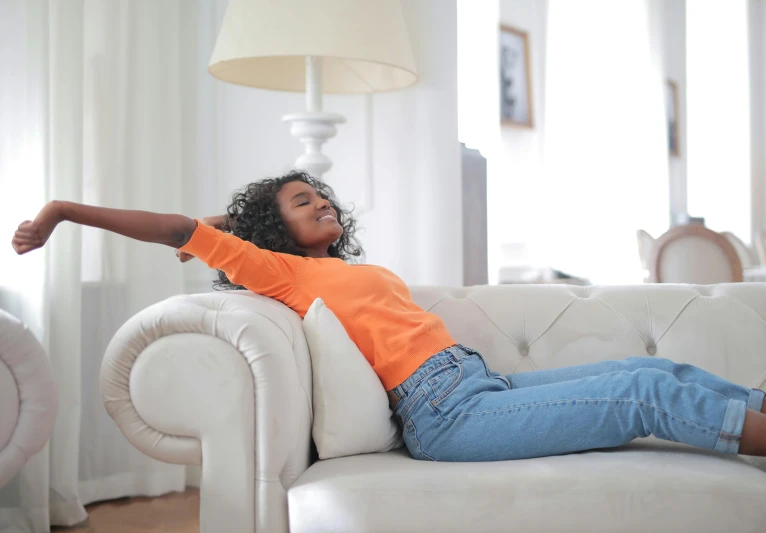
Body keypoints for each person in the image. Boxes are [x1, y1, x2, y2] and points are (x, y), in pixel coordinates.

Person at [12, 170, 766, 461]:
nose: (324, 203)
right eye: (303, 201)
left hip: (481, 386)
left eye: (324, 194)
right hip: (446, 416)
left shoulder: (333, 268)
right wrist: (62, 212)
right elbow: (181, 225)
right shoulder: (281, 273)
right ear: (274, 233)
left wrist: (238, 220)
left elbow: (225, 223)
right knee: (643, 397)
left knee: (648, 368)